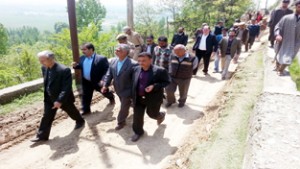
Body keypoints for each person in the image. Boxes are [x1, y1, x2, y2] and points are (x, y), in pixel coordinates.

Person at [31, 51, 85, 142]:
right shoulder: (44, 68)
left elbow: (66, 88)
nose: (41, 63)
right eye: (40, 61)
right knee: (47, 115)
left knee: (71, 111)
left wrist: (59, 100)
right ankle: (42, 135)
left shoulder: (64, 70)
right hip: (49, 98)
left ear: (51, 59)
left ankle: (80, 120)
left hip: (63, 98)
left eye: (43, 61)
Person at [131, 52, 170, 142]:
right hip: (139, 98)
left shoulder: (160, 70)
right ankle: (138, 132)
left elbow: (167, 82)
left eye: (144, 60)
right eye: (139, 60)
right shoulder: (136, 69)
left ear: (150, 60)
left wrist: (154, 86)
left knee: (152, 114)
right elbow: (133, 82)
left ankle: (160, 115)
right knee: (137, 116)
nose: (141, 63)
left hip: (153, 99)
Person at [73, 42, 115, 116]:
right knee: (86, 96)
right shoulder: (82, 58)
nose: (83, 51)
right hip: (86, 81)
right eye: (82, 50)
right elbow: (81, 66)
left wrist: (103, 80)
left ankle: (111, 97)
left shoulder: (101, 59)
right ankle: (86, 110)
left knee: (104, 92)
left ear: (91, 49)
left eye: (84, 49)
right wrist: (76, 66)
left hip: (98, 81)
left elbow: (107, 70)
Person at [102, 44, 137, 130]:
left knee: (124, 106)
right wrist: (105, 85)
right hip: (118, 88)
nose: (116, 51)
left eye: (118, 50)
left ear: (125, 52)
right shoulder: (113, 61)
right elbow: (109, 74)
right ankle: (134, 105)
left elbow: (136, 79)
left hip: (128, 89)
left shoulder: (133, 64)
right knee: (125, 103)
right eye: (116, 50)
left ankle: (121, 122)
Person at [274, 0, 300, 76]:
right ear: (296, 7)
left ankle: (280, 69)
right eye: (299, 7)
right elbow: (278, 27)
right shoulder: (286, 18)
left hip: (296, 42)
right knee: (279, 54)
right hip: (284, 41)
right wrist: (278, 34)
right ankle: (279, 69)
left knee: (289, 57)